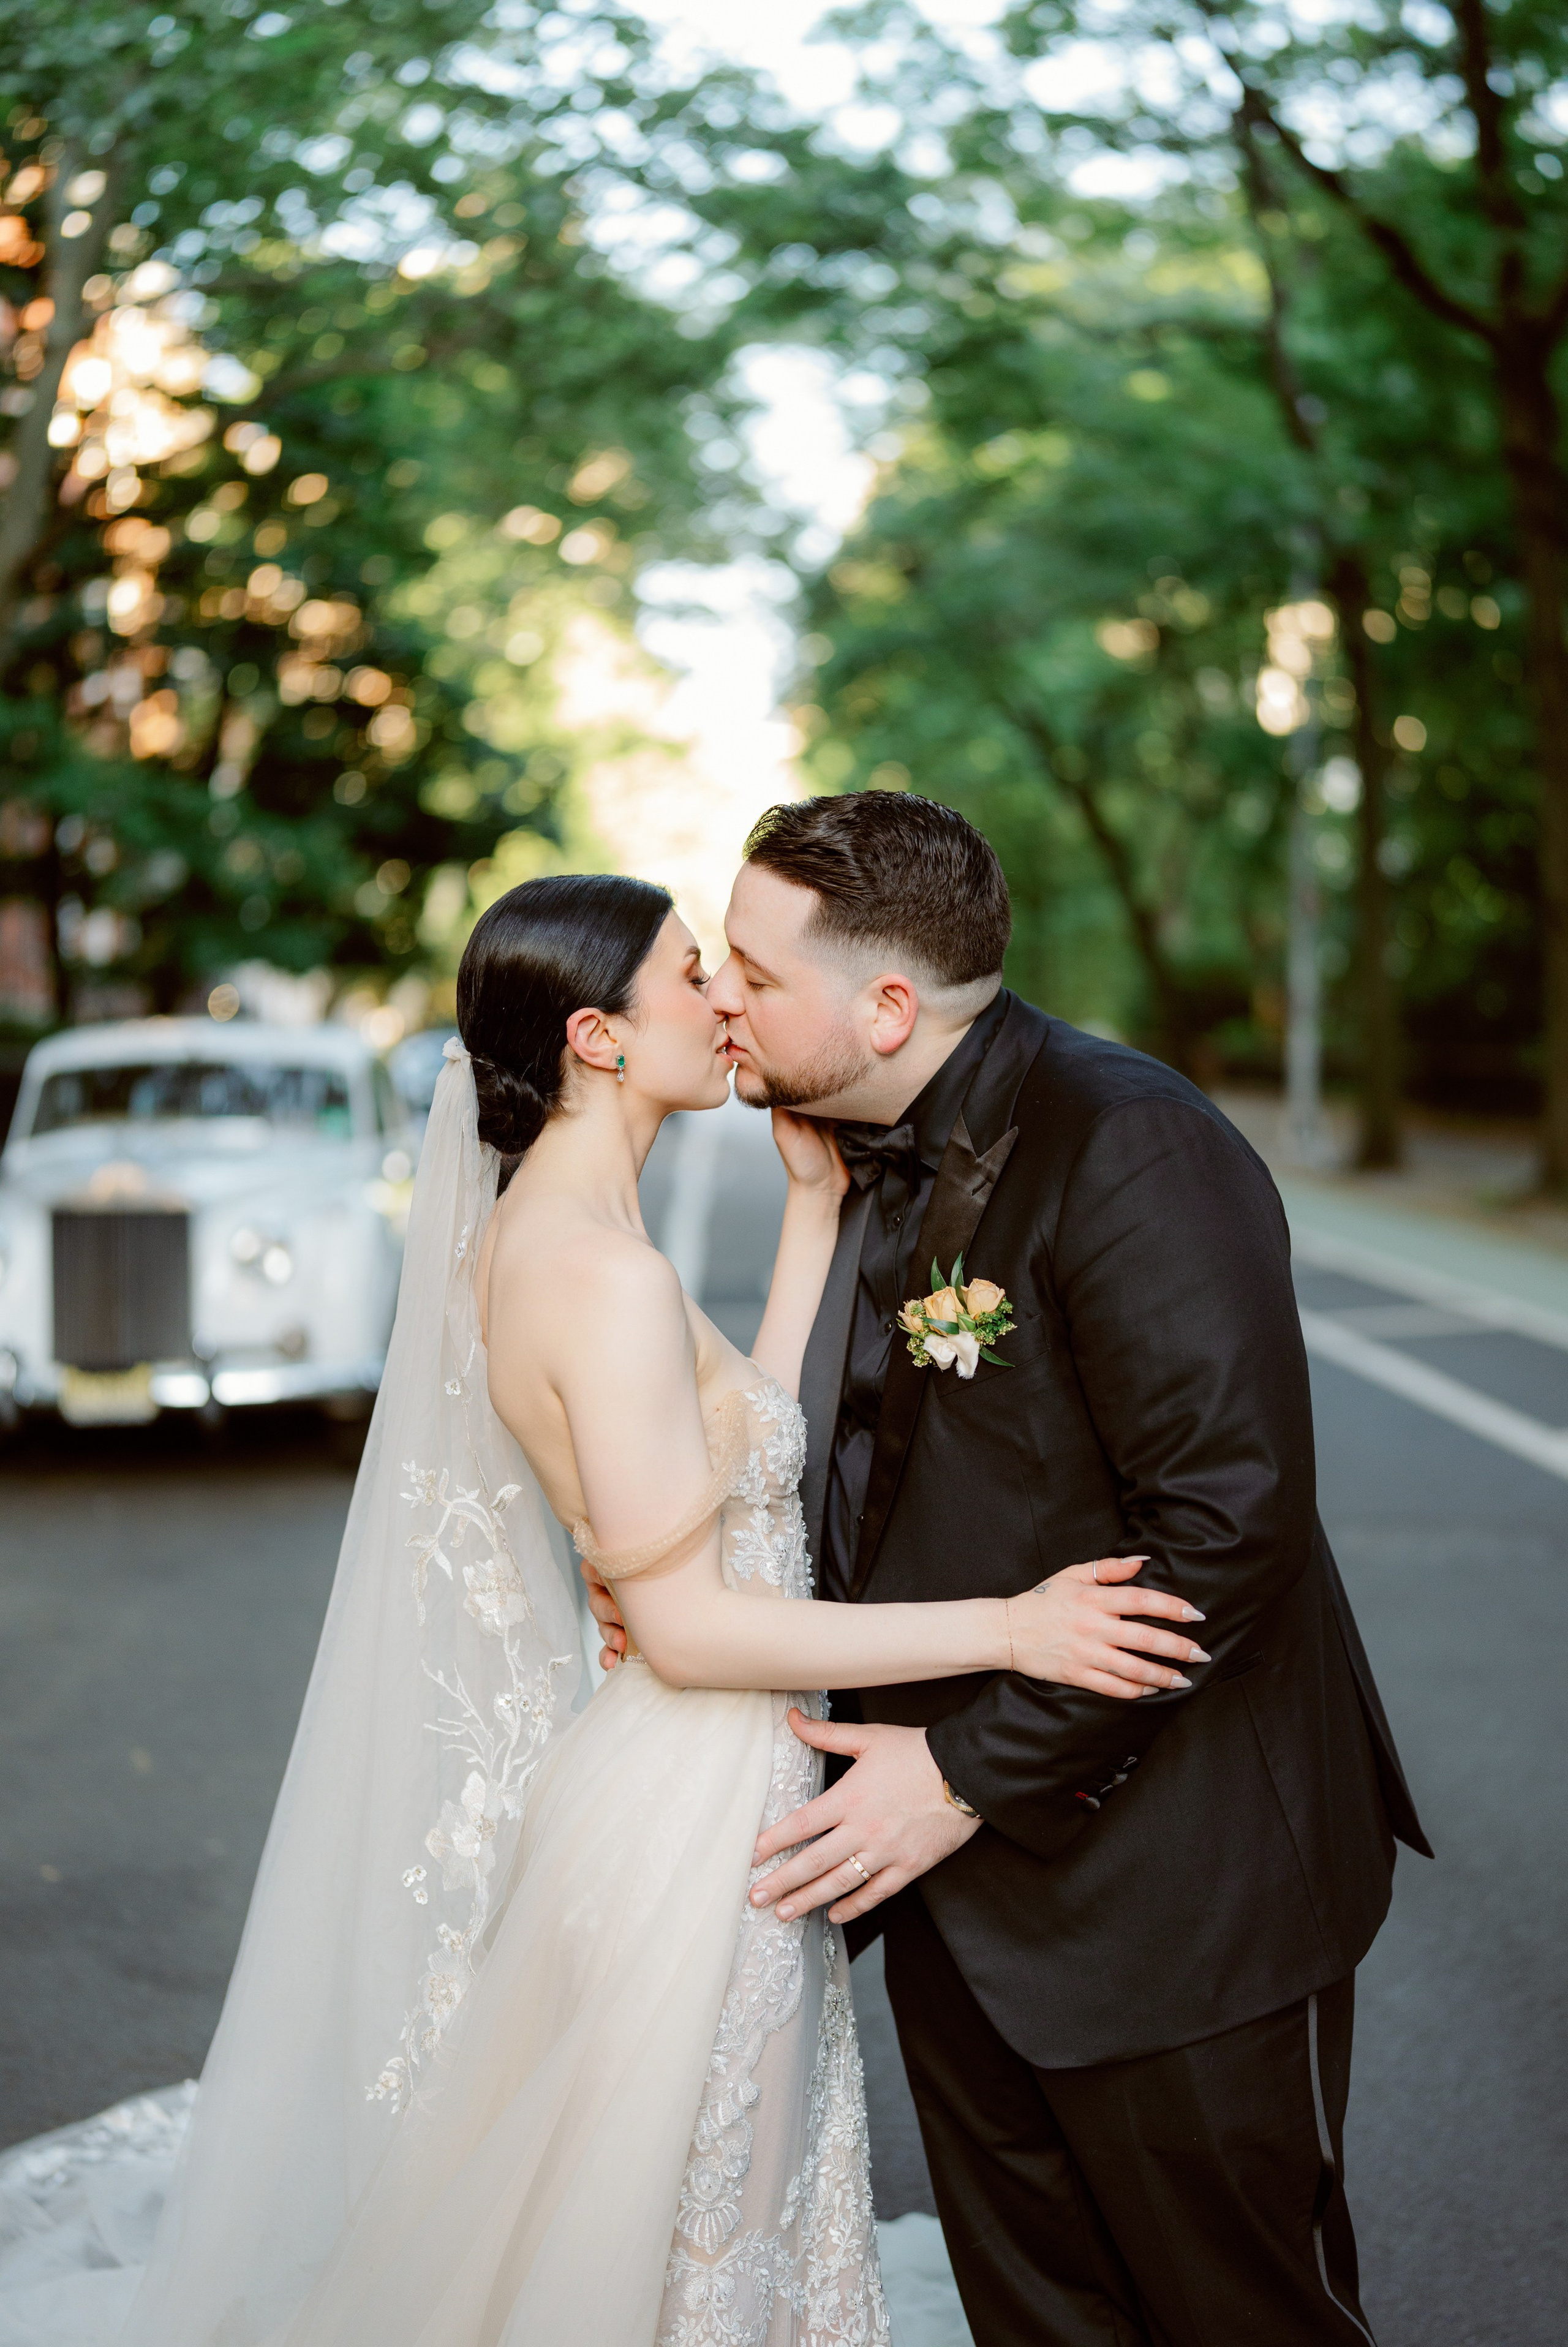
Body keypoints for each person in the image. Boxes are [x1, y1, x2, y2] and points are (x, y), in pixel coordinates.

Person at [31, 873, 1197, 2347]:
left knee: (705, 2229)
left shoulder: (554, 1237)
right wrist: (1010, 1628)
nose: (726, 1004)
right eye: (693, 976)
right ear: (596, 1036)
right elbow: (698, 1628)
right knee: (705, 2239)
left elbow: (740, 1460)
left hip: (700, 1780)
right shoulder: (604, 1276)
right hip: (695, 1813)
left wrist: (813, 1208)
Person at [589, 795, 1431, 2347]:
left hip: (1179, 1896)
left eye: (755, 976)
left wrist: (961, 1775)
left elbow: (1224, 1531)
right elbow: (848, 1461)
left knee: (1240, 2317)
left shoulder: (1135, 1149)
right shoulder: (839, 1154)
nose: (720, 996)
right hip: (962, 1922)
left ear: (886, 1006)